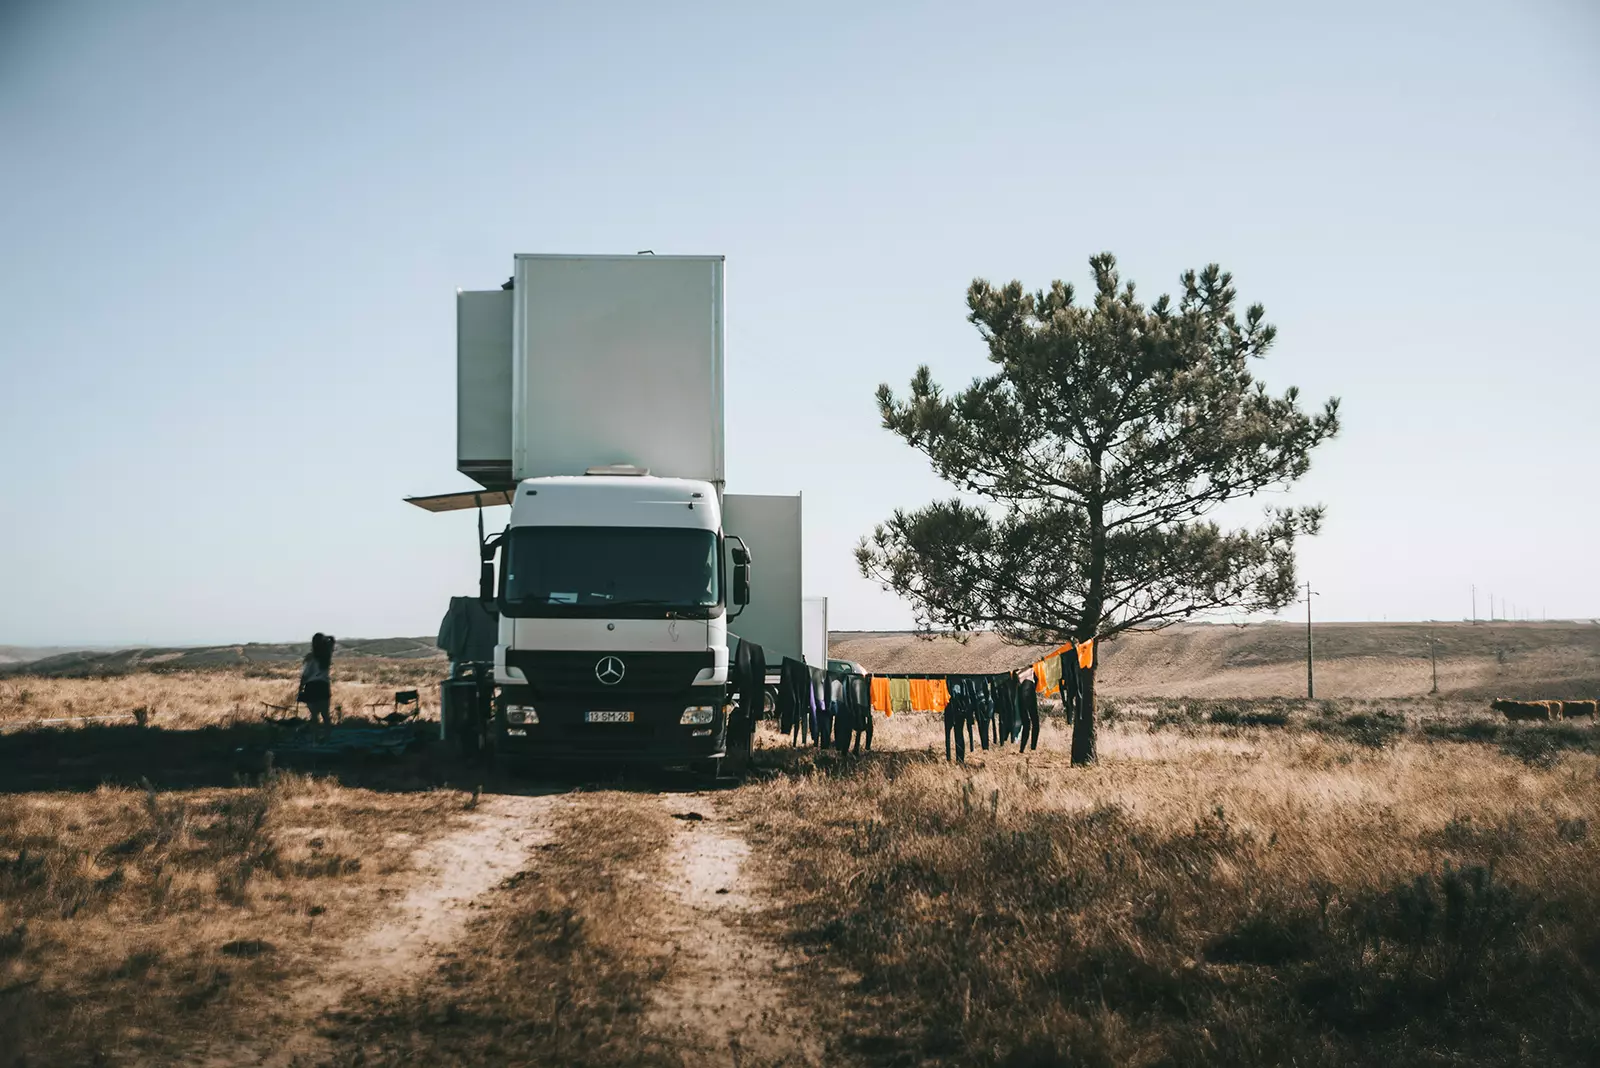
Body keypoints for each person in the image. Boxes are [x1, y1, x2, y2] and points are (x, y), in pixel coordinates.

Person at [299, 632, 335, 728]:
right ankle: (327, 738)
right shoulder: (326, 656)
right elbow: (332, 639)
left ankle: (315, 740)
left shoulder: (310, 657)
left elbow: (305, 674)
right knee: (325, 716)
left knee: (314, 716)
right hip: (323, 686)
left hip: (311, 686)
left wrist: (300, 687)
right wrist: (325, 638)